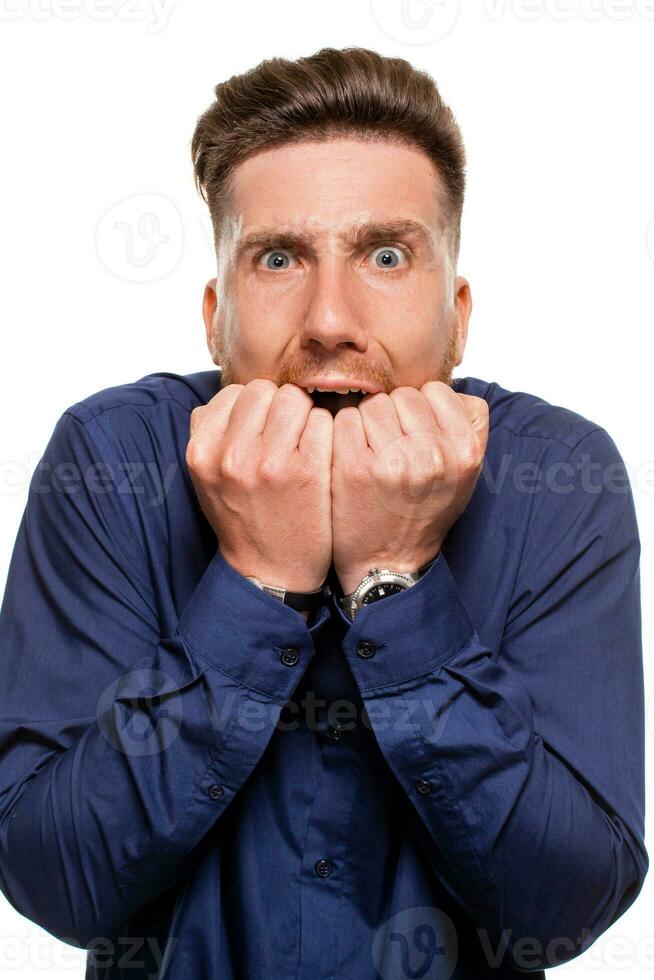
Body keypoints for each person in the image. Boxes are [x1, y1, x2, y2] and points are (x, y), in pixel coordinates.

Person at [0, 46, 647, 980]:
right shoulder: (111, 467)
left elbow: (572, 899)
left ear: (458, 314)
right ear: (216, 317)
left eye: (386, 255)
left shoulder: (563, 478)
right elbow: (50, 881)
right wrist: (256, 584)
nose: (331, 318)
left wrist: (399, 585)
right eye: (277, 257)